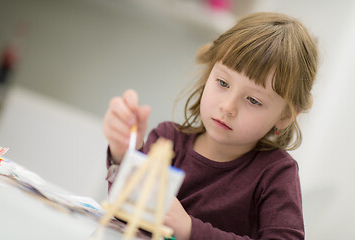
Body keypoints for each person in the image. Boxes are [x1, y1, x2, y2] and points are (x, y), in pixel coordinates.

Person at [103, 12, 318, 240]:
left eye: (253, 100)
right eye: (223, 83)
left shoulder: (275, 173)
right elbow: (126, 213)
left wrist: (190, 229)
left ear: (284, 116)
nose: (228, 107)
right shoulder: (167, 139)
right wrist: (123, 152)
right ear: (209, 75)